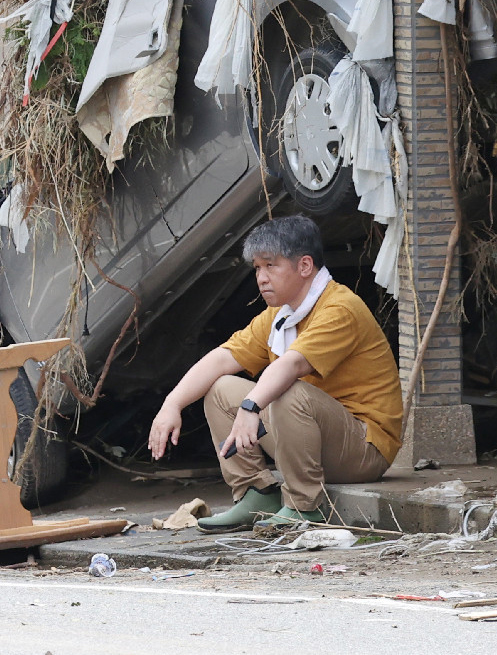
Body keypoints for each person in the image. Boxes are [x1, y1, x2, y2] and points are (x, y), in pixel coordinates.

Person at [146, 215, 401, 530]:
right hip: (314, 437)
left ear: (304, 266)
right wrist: (171, 404)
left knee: (286, 389)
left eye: (271, 265)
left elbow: (291, 365)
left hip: (363, 450)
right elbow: (223, 358)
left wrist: (251, 406)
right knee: (221, 388)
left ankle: (303, 507)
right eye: (257, 268)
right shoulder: (281, 315)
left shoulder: (339, 309)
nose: (261, 278)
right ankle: (257, 494)